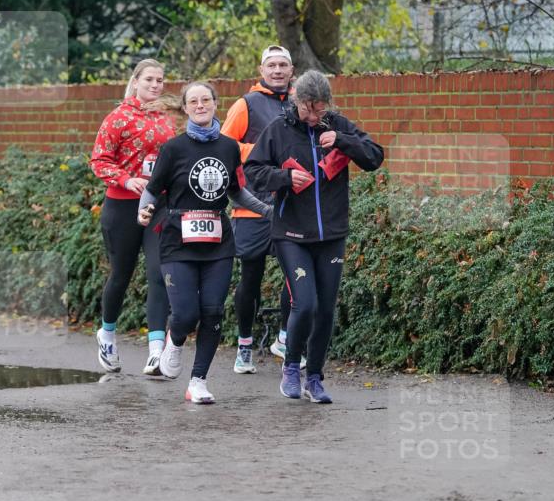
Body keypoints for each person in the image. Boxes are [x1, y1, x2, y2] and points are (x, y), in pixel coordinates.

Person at [245, 70, 384, 404]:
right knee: (304, 304)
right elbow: (252, 170)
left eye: (321, 110)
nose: (315, 116)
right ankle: (291, 367)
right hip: (291, 233)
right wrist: (284, 177)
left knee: (325, 309)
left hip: (331, 234)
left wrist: (342, 140)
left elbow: (375, 157)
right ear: (297, 101)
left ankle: (315, 378)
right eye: (310, 109)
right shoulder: (279, 129)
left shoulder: (336, 124)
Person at [138, 82, 272, 404]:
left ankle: (198, 381)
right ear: (185, 108)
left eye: (206, 100)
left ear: (215, 104)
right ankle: (176, 339)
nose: (200, 105)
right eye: (193, 101)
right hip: (177, 240)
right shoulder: (173, 149)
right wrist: (143, 211)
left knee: (212, 312)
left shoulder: (228, 147)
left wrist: (268, 210)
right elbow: (153, 190)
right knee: (184, 313)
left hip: (217, 242)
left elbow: (237, 192)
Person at [90, 59, 176, 375]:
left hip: (158, 207)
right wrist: (127, 180)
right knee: (121, 275)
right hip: (122, 206)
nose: (156, 85)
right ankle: (107, 333)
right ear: (136, 81)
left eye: (160, 80)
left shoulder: (169, 119)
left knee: (158, 273)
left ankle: (156, 352)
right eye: (150, 80)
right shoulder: (118, 118)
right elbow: (99, 160)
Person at [221, 44, 303, 374]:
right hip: (252, 207)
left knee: (293, 275)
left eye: (284, 65)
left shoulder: (300, 104)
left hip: (289, 205)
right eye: (272, 65)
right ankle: (244, 346)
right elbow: (223, 145)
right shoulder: (246, 104)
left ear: (292, 70)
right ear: (262, 70)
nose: (278, 70)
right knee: (250, 278)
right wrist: (258, 149)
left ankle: (284, 338)